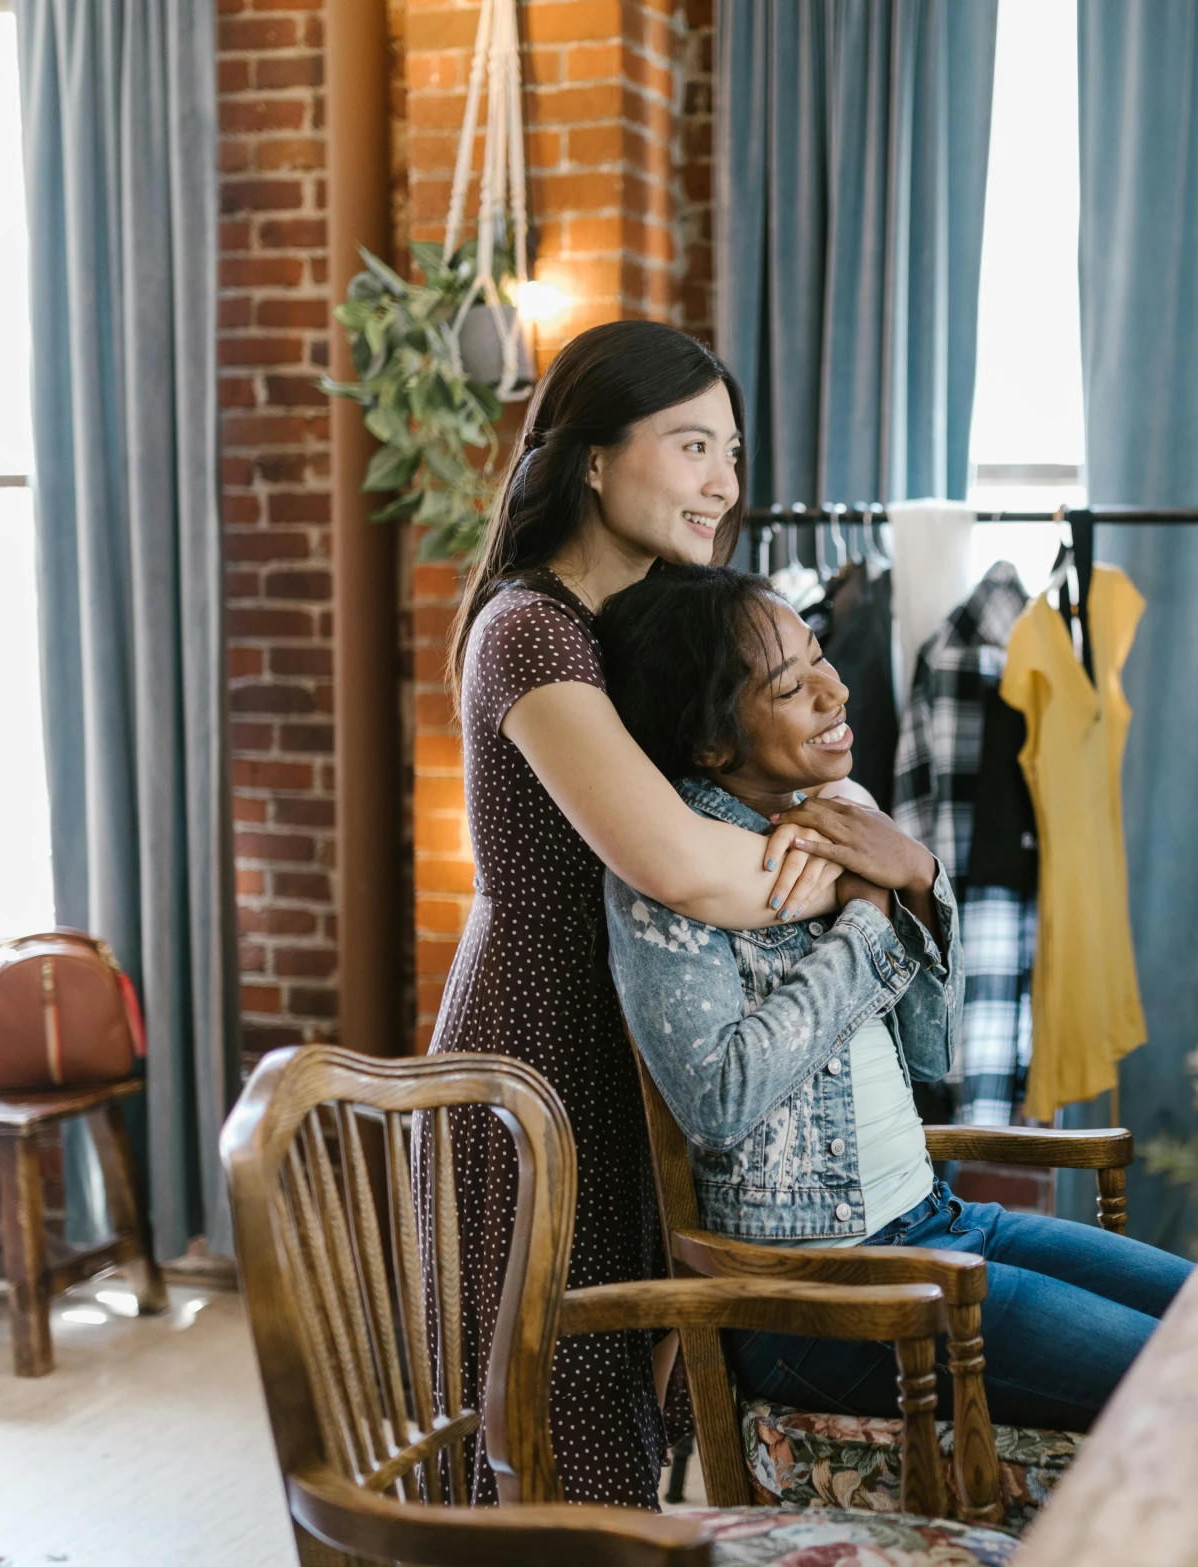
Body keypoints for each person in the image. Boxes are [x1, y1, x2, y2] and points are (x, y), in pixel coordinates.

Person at [594, 563, 1194, 1433]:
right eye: (793, 686)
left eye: (820, 658)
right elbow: (718, 1102)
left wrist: (914, 874)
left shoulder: (841, 815)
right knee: (1196, 1387)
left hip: (937, 1220)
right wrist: (868, 920)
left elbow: (930, 1052)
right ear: (716, 742)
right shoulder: (670, 877)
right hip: (823, 1293)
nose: (837, 690)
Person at [424, 320, 845, 1509]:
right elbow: (685, 865)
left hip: (637, 1043)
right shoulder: (532, 630)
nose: (724, 480)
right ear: (596, 459)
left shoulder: (653, 624)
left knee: (638, 1403)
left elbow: (773, 790)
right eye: (691, 444)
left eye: (732, 450)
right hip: (542, 1050)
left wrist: (818, 828)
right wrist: (843, 865)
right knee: (552, 1420)